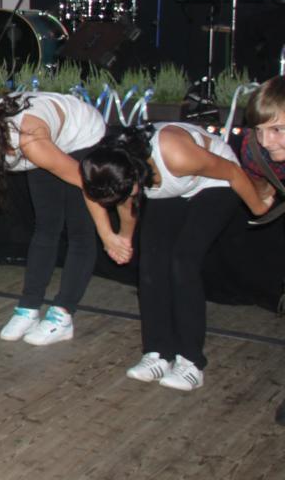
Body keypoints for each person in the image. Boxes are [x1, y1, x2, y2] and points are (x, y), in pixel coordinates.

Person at [80, 124, 270, 392]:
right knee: (151, 266)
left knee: (183, 262)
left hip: (216, 181)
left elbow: (233, 172)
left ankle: (191, 361)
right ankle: (158, 352)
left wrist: (259, 208)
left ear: (135, 177)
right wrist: (122, 239)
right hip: (168, 186)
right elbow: (124, 202)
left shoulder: (176, 154)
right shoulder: (108, 163)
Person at [0, 93, 106, 345]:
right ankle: (29, 306)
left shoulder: (30, 143)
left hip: (81, 135)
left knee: (79, 231)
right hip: (44, 137)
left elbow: (89, 185)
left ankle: (63, 314)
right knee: (46, 226)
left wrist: (109, 235)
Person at [238, 76, 285, 423]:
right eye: (260, 130)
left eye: (278, 130)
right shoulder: (254, 150)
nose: (267, 141)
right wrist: (265, 192)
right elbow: (258, 179)